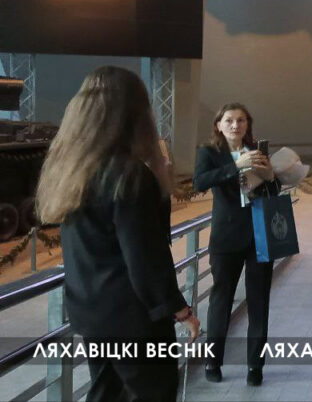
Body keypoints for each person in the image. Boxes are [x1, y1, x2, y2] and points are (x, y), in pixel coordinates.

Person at [37, 66, 200, 402]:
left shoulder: (73, 169)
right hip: (133, 318)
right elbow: (144, 257)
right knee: (155, 393)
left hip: (91, 312)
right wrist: (179, 308)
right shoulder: (129, 174)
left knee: (105, 394)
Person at [194, 103, 278, 387]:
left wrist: (271, 176)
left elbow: (273, 190)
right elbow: (199, 182)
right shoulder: (209, 153)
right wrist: (235, 166)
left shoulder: (257, 151)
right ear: (219, 125)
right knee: (221, 301)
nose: (235, 125)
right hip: (226, 237)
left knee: (259, 303)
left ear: (247, 124)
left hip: (259, 235)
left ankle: (255, 366)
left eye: (241, 120)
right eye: (229, 120)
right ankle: (212, 361)